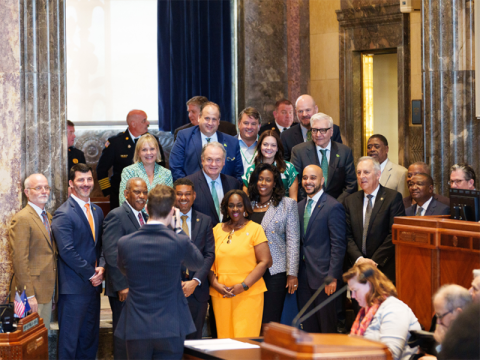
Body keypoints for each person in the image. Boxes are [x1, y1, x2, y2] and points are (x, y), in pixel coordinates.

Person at [115, 185, 204, 360]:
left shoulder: (125, 243)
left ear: (147, 209)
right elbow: (197, 263)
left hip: (136, 326)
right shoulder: (178, 241)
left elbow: (124, 270)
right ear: (173, 211)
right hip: (170, 325)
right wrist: (178, 228)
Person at [51, 164, 105, 360]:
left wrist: (102, 268)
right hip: (73, 290)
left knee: (89, 341)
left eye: (89, 179)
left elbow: (100, 246)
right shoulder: (63, 213)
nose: (86, 184)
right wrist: (91, 274)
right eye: (81, 180)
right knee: (69, 343)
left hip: (93, 289)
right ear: (71, 183)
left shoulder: (97, 211)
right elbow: (67, 251)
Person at [208, 189, 272, 338]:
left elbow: (265, 261)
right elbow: (208, 260)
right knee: (225, 340)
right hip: (221, 294)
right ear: (225, 207)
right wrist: (216, 285)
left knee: (245, 341)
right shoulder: (216, 230)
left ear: (245, 207)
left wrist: (243, 286)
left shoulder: (255, 229)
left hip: (248, 294)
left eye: (239, 205)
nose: (235, 209)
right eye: (231, 205)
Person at [247, 163, 300, 324]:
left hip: (274, 271)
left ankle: (267, 349)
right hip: (249, 270)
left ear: (275, 183)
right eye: (260, 179)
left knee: (269, 319)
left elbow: (293, 240)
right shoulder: (248, 204)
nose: (263, 183)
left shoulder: (287, 204)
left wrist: (292, 274)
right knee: (252, 316)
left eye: (268, 180)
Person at [102, 177, 148, 360]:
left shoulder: (144, 216)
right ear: (126, 194)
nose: (142, 196)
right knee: (124, 337)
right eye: (137, 192)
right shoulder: (117, 215)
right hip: (125, 289)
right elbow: (112, 253)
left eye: (145, 192)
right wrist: (122, 285)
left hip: (141, 290)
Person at [297, 165, 347, 333]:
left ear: (322, 180)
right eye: (305, 178)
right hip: (303, 276)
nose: (308, 182)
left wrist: (332, 277)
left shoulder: (333, 206)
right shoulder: (299, 206)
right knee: (308, 327)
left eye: (313, 178)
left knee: (327, 327)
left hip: (324, 278)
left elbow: (338, 244)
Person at [343, 156, 405, 283]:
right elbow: (346, 235)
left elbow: (393, 234)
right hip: (358, 270)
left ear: (378, 174)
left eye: (366, 172)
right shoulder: (350, 201)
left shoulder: (393, 198)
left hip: (383, 269)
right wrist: (359, 259)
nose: (361, 176)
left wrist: (373, 262)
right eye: (359, 172)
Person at [343, 263, 421, 360]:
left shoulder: (394, 308)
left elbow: (390, 355)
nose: (353, 296)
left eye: (355, 290)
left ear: (370, 284)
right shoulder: (366, 313)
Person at [9, 174, 56, 329]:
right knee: (31, 343)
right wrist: (29, 295)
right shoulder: (22, 218)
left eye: (46, 187)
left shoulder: (47, 217)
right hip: (31, 294)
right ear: (27, 192)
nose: (44, 191)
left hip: (46, 291)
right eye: (38, 188)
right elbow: (19, 261)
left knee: (41, 339)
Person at [96, 109, 166, 210]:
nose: (148, 123)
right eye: (144, 120)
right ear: (133, 124)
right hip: (122, 198)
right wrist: (108, 192)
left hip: (148, 197)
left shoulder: (152, 140)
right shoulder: (116, 143)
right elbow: (101, 169)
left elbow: (161, 166)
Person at [173, 178, 215, 339]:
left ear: (194, 195)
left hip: (197, 291)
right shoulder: (164, 221)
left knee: (194, 340)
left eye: (187, 194)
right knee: (172, 341)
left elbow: (209, 254)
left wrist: (195, 281)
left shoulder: (204, 220)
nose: (183, 198)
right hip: (172, 290)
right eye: (179, 194)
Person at [170, 101, 244, 182]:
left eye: (214, 119)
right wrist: (188, 189)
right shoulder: (184, 136)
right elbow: (175, 167)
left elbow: (238, 174)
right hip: (192, 190)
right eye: (207, 118)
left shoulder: (232, 142)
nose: (210, 123)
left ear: (218, 121)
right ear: (199, 117)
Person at [291, 112, 356, 202]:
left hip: (337, 207)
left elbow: (351, 184)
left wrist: (334, 205)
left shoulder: (344, 152)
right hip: (309, 207)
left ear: (331, 131)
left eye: (322, 130)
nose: (318, 135)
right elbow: (296, 184)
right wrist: (311, 203)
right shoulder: (299, 151)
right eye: (314, 130)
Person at [186, 142, 242, 227]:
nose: (213, 164)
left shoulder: (233, 184)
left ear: (224, 161)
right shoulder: (188, 184)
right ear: (202, 160)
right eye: (209, 159)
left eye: (218, 160)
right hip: (200, 238)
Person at [281, 94, 342, 161]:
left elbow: (339, 157)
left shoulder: (331, 129)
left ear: (316, 109)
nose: (304, 114)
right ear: (295, 112)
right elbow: (285, 166)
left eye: (308, 110)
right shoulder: (286, 136)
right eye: (300, 111)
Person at [118, 133, 173, 207]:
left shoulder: (166, 173)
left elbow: (170, 202)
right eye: (144, 150)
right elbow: (123, 201)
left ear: (157, 150)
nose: (149, 153)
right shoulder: (129, 172)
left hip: (160, 217)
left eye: (152, 149)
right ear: (138, 153)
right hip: (135, 217)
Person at [419, 285, 472, 360]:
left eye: (440, 316)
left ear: (458, 313)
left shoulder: (472, 338)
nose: (438, 322)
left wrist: (442, 342)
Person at [242, 130, 299, 200]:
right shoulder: (251, 170)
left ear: (277, 148)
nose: (269, 148)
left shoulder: (289, 168)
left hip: (284, 209)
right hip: (257, 209)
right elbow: (247, 201)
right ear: (260, 146)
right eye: (265, 144)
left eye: (273, 145)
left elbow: (293, 200)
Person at [237, 107, 261, 175]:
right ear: (239, 124)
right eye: (246, 123)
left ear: (259, 126)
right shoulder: (229, 144)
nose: (249, 127)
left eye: (253, 124)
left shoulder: (266, 145)